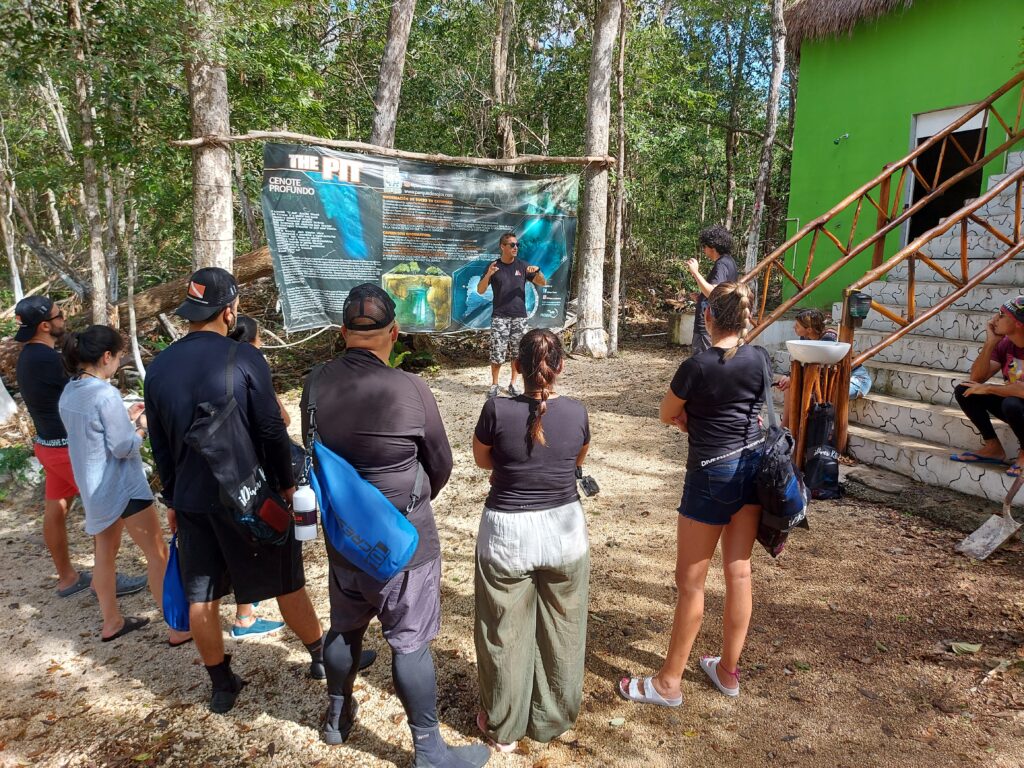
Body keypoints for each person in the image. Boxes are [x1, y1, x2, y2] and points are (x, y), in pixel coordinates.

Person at [300, 284, 489, 767]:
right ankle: (429, 751)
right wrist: (410, 502)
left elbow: (313, 450)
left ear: (343, 332)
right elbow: (441, 462)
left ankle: (337, 718)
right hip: (405, 542)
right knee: (410, 643)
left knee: (344, 628)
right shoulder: (411, 388)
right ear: (394, 332)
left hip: (345, 536)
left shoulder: (315, 383)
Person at [144, 267, 331, 714]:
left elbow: (161, 445)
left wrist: (172, 500)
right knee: (286, 580)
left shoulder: (158, 369)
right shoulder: (244, 358)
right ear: (229, 311)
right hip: (249, 495)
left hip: (191, 499)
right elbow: (270, 430)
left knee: (202, 595)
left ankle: (221, 683)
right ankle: (321, 657)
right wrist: (286, 487)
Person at [618, 282, 767, 707]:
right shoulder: (759, 358)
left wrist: (690, 421)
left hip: (710, 476)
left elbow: (667, 412)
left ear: (708, 317)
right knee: (739, 573)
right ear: (746, 318)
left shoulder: (697, 365)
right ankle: (727, 671)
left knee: (691, 583)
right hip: (751, 469)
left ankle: (668, 683)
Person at [472, 329, 590, 751]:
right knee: (564, 626)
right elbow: (578, 459)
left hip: (506, 532)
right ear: (560, 366)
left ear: (517, 367)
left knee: (503, 629)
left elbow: (483, 458)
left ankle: (503, 726)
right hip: (564, 531)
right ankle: (551, 719)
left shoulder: (495, 409)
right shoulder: (577, 413)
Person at [58, 325, 192, 646]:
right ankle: (176, 627)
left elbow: (96, 435)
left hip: (93, 487)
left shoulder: (71, 391)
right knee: (157, 554)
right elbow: (122, 447)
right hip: (122, 486)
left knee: (105, 555)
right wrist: (142, 428)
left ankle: (112, 622)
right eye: (118, 356)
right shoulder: (105, 393)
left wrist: (126, 418)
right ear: (106, 357)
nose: (119, 362)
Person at [13, 296, 146, 599]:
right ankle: (106, 582)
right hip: (68, 450)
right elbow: (84, 399)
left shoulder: (27, 356)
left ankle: (67, 577)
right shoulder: (48, 360)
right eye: (59, 315)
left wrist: (118, 417)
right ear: (45, 325)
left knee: (56, 509)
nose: (64, 320)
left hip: (47, 446)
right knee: (109, 515)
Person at [223, 315, 288, 639]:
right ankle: (245, 617)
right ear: (253, 340)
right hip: (256, 475)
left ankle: (248, 605)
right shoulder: (251, 364)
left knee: (239, 538)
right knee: (260, 539)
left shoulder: (216, 366)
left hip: (226, 471)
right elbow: (281, 420)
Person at [949, 296, 1024, 476]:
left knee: (1011, 403)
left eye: (1001, 315)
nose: (993, 320)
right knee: (965, 390)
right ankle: (993, 448)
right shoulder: (1006, 344)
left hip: (1018, 404)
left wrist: (990, 388)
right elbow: (976, 378)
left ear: (1019, 323)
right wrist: (990, 343)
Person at [476, 231, 547, 399]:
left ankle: (513, 384)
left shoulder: (523, 266)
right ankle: (494, 385)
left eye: (517, 245)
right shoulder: (493, 266)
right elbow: (480, 290)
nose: (516, 248)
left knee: (517, 353)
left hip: (519, 317)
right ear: (503, 247)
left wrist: (538, 271)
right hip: (500, 316)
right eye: (512, 245)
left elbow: (542, 282)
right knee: (497, 352)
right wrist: (488, 275)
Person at [776, 308, 873, 427]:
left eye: (797, 326)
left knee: (823, 390)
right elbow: (802, 362)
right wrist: (789, 376)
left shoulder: (829, 337)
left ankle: (828, 430)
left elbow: (822, 369)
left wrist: (794, 379)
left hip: (856, 379)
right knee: (790, 387)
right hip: (829, 378)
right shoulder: (806, 338)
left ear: (809, 329)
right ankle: (785, 426)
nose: (794, 328)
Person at [686, 225, 738, 355]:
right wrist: (701, 297)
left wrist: (695, 272)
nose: (704, 250)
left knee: (703, 360)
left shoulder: (721, 264)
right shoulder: (729, 261)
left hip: (708, 325)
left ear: (712, 247)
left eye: (705, 246)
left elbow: (713, 292)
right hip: (717, 322)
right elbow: (721, 292)